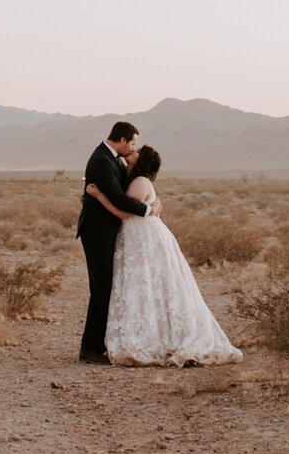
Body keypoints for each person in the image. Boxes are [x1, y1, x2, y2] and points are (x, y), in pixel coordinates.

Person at [83, 145, 242, 366]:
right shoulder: (133, 178)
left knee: (145, 283)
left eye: (137, 151)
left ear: (143, 160)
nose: (133, 151)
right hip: (139, 238)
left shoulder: (139, 183)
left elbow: (124, 212)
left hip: (144, 239)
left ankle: (149, 337)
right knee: (144, 285)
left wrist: (98, 196)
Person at [75, 121, 150, 364]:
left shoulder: (112, 158)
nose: (133, 149)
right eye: (133, 143)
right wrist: (149, 209)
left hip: (105, 231)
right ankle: (89, 348)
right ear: (123, 140)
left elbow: (114, 190)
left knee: (105, 287)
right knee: (101, 288)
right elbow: (118, 198)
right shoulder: (101, 160)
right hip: (97, 233)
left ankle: (98, 344)